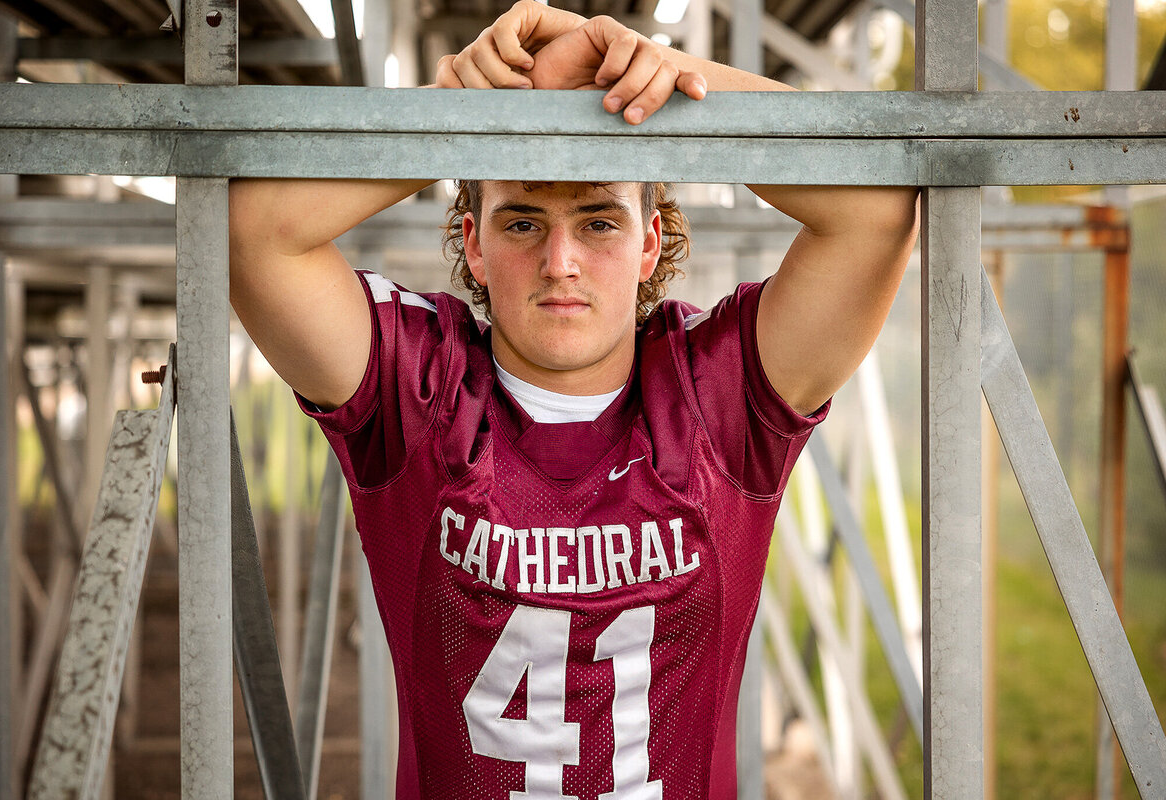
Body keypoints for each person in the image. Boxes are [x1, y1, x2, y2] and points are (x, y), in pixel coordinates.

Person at [228, 3, 918, 797]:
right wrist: (455, 106)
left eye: (598, 220)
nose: (561, 262)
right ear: (474, 242)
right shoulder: (420, 391)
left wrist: (671, 86)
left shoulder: (714, 397)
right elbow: (251, 232)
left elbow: (877, 208)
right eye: (523, 222)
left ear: (650, 239)